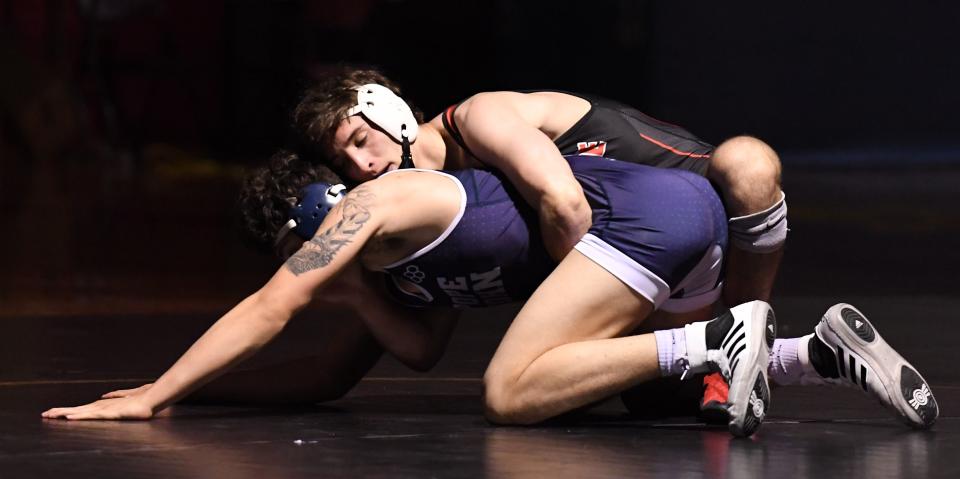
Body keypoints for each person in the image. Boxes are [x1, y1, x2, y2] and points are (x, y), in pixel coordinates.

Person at [42, 153, 939, 434]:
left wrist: (156, 393)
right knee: (638, 395)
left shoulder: (376, 206)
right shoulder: (388, 269)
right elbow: (378, 362)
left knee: (510, 392)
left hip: (642, 220)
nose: (311, 267)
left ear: (318, 219)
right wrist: (195, 400)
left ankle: (720, 337)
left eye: (305, 249)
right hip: (661, 242)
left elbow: (271, 307)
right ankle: (814, 354)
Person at [292, 67, 785, 308]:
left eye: (360, 139)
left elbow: (566, 205)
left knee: (748, 162)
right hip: (644, 250)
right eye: (343, 161)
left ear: (389, 110)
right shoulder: (432, 205)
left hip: (697, 197)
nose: (362, 165)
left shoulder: (478, 117)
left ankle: (749, 323)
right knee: (655, 398)